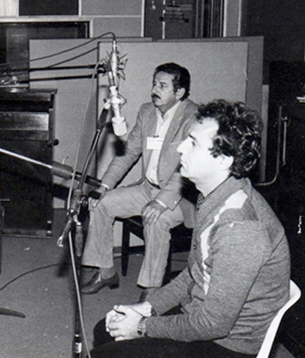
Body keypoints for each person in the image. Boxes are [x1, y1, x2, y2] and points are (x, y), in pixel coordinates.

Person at [92, 99, 291, 358]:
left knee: (108, 352)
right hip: (200, 316)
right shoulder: (214, 194)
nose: (181, 149)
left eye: (193, 143)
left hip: (228, 345)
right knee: (105, 331)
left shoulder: (240, 227)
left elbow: (214, 325)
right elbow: (193, 274)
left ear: (224, 160)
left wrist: (142, 326)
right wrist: (148, 308)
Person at [81, 62, 198, 297]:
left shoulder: (193, 117)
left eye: (162, 86)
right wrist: (104, 187)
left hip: (179, 197)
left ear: (180, 92)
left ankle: (152, 289)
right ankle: (106, 272)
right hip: (147, 189)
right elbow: (129, 153)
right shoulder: (147, 112)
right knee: (100, 203)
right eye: (154, 83)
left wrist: (161, 202)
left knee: (156, 220)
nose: (154, 89)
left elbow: (184, 169)